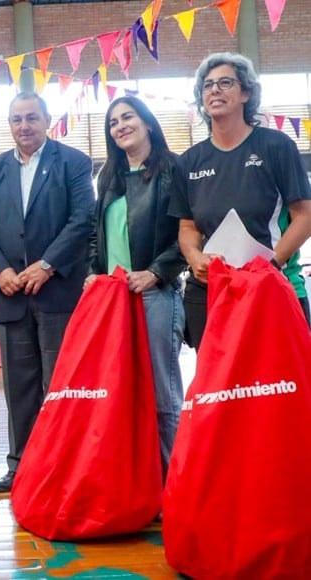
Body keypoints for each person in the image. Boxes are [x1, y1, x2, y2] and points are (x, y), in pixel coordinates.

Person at [0, 92, 94, 493]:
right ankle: (20, 464)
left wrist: (47, 264)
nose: (24, 126)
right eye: (17, 119)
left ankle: (63, 465)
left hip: (57, 291)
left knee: (59, 385)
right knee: (19, 386)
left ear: (47, 120)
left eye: (32, 118)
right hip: (10, 295)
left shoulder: (73, 163)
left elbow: (82, 220)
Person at [169, 52, 311, 348]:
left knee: (277, 386)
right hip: (211, 290)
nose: (214, 90)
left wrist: (271, 264)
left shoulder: (276, 146)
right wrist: (195, 258)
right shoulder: (188, 162)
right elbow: (188, 227)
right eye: (207, 86)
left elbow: (305, 216)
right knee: (218, 390)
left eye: (225, 83)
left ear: (246, 92)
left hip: (272, 285)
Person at [85, 96, 186, 475]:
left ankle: (174, 481)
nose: (120, 126)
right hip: (113, 299)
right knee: (120, 393)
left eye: (128, 117)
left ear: (147, 122)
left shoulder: (173, 168)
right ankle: (138, 483)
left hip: (155, 293)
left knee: (162, 393)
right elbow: (97, 235)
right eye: (113, 122)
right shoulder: (108, 175)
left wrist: (157, 272)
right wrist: (93, 270)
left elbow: (189, 233)